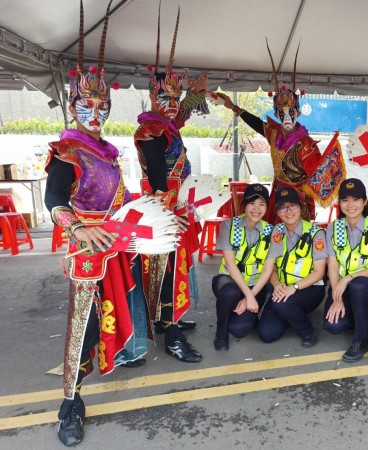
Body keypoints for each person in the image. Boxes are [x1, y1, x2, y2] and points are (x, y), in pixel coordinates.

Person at [44, 4, 141, 446]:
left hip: (115, 244)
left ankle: (119, 353)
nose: (96, 111)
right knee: (80, 324)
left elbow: (117, 199)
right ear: (74, 104)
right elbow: (53, 199)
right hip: (86, 251)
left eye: (102, 104)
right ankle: (70, 403)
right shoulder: (68, 151)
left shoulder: (108, 151)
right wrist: (76, 228)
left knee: (116, 307)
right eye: (87, 103)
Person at [133, 8, 209, 363]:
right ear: (151, 96)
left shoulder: (168, 124)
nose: (172, 104)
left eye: (175, 98)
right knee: (166, 269)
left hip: (174, 207)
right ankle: (172, 335)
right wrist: (168, 215)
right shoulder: (150, 130)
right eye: (164, 97)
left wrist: (197, 94)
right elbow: (158, 181)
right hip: (161, 211)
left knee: (175, 267)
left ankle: (169, 321)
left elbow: (182, 114)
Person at [217, 41, 345, 223]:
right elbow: (256, 123)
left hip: (297, 199)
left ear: (298, 113)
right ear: (276, 114)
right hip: (277, 192)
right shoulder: (274, 134)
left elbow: (317, 175)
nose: (286, 117)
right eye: (282, 113)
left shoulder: (306, 144)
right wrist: (233, 107)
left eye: (291, 112)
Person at [322, 178, 368, 362]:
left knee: (358, 286)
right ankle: (354, 315)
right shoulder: (333, 228)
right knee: (333, 326)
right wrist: (337, 297)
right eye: (345, 200)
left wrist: (348, 278)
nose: (350, 205)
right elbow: (332, 265)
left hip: (365, 285)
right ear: (339, 203)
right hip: (341, 287)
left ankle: (360, 340)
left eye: (356, 199)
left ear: (365, 202)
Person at [258, 187, 327, 347]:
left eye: (292, 206)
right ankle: (291, 313)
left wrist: (294, 287)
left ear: (301, 208)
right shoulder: (276, 233)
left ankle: (307, 331)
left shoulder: (316, 234)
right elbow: (273, 269)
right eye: (282, 207)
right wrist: (277, 285)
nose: (288, 211)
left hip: (309, 289)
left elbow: (319, 273)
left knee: (282, 304)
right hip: (283, 289)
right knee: (267, 334)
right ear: (277, 212)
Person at [212, 183, 275, 351]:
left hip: (256, 286)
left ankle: (243, 315)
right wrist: (248, 296)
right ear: (244, 205)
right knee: (231, 292)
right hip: (228, 281)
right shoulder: (229, 225)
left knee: (239, 329)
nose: (256, 209)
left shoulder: (271, 231)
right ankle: (221, 331)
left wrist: (250, 296)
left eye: (262, 204)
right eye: (252, 203)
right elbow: (231, 264)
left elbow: (268, 270)